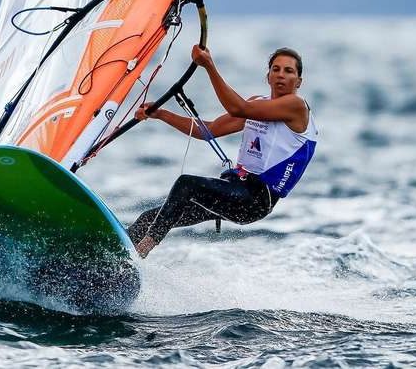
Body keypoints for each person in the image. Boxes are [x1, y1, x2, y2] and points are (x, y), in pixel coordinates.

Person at [128, 45, 317, 258]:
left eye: (289, 71)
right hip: (235, 189)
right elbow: (207, 131)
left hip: (255, 200)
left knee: (186, 184)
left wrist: (209, 65)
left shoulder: (296, 106)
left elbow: (239, 109)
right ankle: (120, 256)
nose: (281, 75)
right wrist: (162, 114)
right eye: (276, 69)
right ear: (268, 76)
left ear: (299, 81)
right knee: (149, 218)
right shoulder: (257, 104)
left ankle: (143, 249)